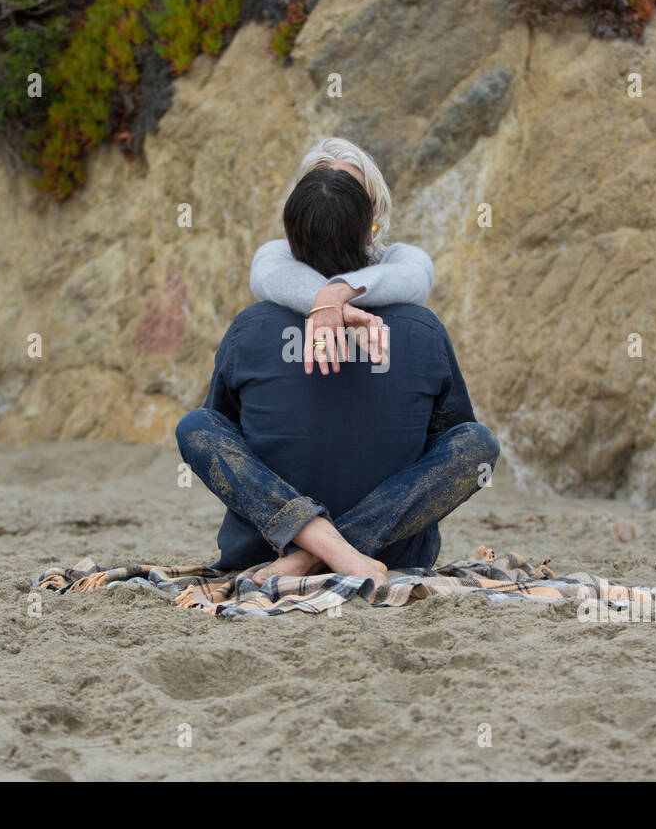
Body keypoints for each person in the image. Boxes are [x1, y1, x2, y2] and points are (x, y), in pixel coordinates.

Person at [175, 166, 499, 589]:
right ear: (370, 238)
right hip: (391, 553)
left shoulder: (249, 329)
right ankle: (341, 549)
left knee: (197, 426)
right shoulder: (422, 329)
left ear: (289, 243)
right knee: (477, 444)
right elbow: (454, 440)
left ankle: (311, 550)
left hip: (266, 553)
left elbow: (228, 437)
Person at [249, 137, 435, 375]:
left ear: (372, 212)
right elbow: (266, 270)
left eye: (349, 191)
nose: (335, 200)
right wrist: (328, 304)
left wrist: (335, 294)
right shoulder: (277, 255)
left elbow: (417, 272)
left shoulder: (397, 260)